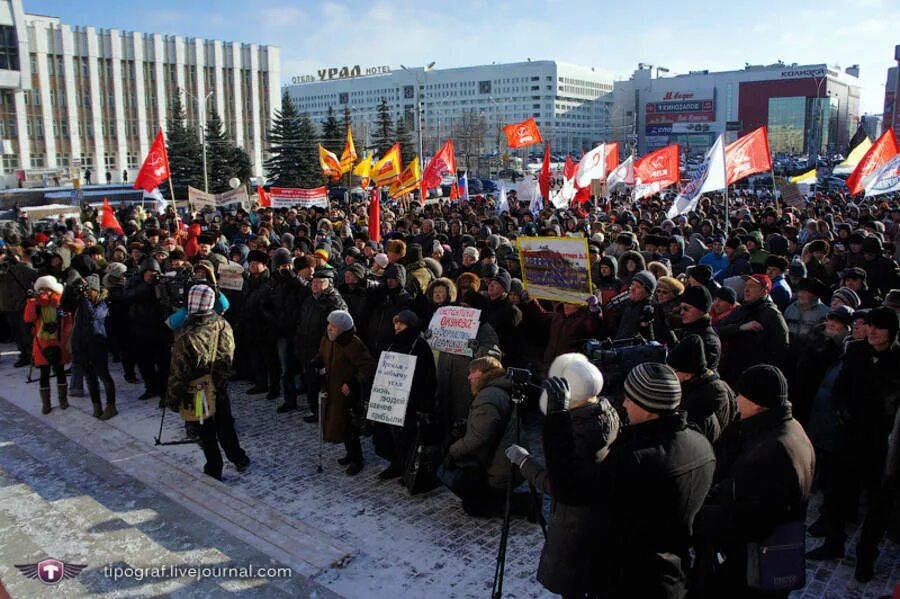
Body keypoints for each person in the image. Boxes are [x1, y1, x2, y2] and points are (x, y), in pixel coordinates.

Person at [542, 362, 716, 598]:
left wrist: (557, 418)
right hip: (674, 574)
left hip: (629, 580)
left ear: (649, 408)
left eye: (631, 399)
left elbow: (570, 490)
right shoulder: (700, 444)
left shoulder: (635, 461)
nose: (624, 404)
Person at [693, 365, 814, 599]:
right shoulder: (789, 428)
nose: (736, 400)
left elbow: (751, 518)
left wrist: (700, 516)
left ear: (758, 402)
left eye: (742, 395)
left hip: (753, 562)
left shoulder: (774, 449)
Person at [505, 353, 620, 598]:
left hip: (574, 525)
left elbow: (560, 485)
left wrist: (524, 462)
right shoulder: (606, 412)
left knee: (575, 587)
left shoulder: (575, 431)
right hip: (597, 520)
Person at [166, 285, 250, 481]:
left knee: (205, 429)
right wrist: (220, 381)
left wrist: (172, 398)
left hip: (197, 390)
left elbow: (178, 371)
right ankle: (239, 458)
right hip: (219, 386)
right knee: (225, 424)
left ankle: (214, 467)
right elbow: (228, 356)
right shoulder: (222, 324)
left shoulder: (186, 334)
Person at [444, 356, 519, 517]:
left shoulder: (487, 396)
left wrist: (452, 451)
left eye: (472, 373)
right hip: (510, 459)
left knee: (473, 506)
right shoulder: (499, 390)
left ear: (484, 374)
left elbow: (478, 437)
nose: (469, 377)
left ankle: (525, 504)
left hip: (500, 467)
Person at [314, 310, 376, 476]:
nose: (330, 328)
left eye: (333, 326)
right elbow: (322, 354)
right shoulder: (328, 339)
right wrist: (317, 361)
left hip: (347, 392)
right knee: (339, 424)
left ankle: (358, 459)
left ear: (342, 329)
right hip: (332, 389)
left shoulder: (353, 343)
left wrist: (353, 383)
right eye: (329, 325)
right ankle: (350, 454)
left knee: (350, 426)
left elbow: (368, 365)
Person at [378, 309, 436, 480]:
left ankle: (408, 469)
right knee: (391, 435)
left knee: (408, 437)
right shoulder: (391, 343)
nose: (397, 326)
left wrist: (424, 403)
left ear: (409, 326)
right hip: (391, 397)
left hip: (411, 400)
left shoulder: (420, 346)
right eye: (395, 323)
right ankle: (396, 464)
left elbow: (428, 377)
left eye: (401, 323)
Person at [716, 274, 789, 387]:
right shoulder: (740, 310)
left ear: (764, 291)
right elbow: (718, 330)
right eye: (746, 285)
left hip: (753, 378)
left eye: (752, 286)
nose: (746, 289)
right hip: (730, 371)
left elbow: (780, 350)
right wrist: (740, 328)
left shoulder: (773, 316)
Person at [666, 335, 737, 448]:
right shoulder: (720, 385)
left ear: (688, 375)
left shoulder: (697, 402)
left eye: (672, 371)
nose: (667, 374)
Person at [24, 275, 73, 414]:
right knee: (44, 373)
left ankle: (63, 400)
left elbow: (68, 321)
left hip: (58, 342)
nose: (43, 292)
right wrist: (31, 302)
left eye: (46, 289)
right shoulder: (36, 304)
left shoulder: (60, 303)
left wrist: (67, 338)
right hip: (41, 343)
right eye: (41, 289)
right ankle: (46, 403)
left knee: (60, 372)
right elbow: (28, 318)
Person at [70, 274, 117, 420]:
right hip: (81, 345)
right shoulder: (80, 302)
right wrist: (72, 286)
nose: (86, 292)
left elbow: (92, 316)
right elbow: (65, 303)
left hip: (97, 346)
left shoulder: (103, 304)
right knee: (90, 378)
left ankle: (111, 405)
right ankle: (96, 405)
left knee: (104, 376)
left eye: (89, 290)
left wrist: (83, 298)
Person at [0, 251, 38, 366]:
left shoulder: (22, 269)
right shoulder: (3, 272)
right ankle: (27, 355)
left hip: (20, 306)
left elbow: (36, 278)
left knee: (24, 333)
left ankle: (31, 355)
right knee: (19, 333)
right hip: (11, 307)